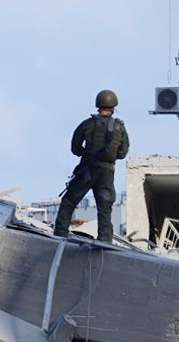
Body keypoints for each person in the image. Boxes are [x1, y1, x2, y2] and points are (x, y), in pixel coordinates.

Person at [54, 89, 130, 243]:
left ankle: (60, 233)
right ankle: (104, 240)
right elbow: (122, 153)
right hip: (107, 172)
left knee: (69, 201)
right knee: (105, 208)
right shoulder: (119, 127)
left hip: (87, 169)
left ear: (98, 105)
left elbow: (75, 148)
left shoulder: (87, 124)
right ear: (114, 106)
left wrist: (86, 155)